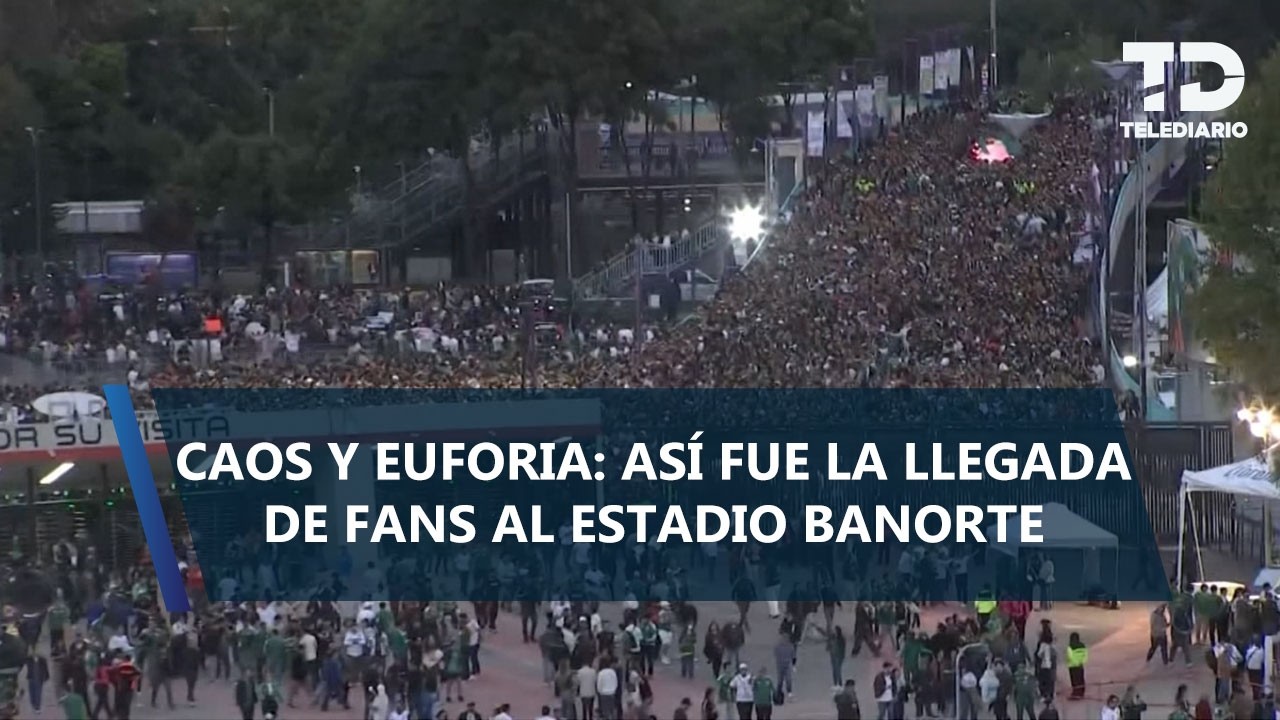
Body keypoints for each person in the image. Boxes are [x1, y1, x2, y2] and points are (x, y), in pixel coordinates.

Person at [1065, 632, 1087, 700]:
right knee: (1081, 679)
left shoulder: (1070, 646)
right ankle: (1081, 692)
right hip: (1080, 665)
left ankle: (1076, 694)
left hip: (1073, 666)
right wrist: (1081, 662)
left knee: (1074, 681)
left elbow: (1070, 656)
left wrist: (1074, 663)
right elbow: (1085, 654)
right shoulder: (1082, 645)